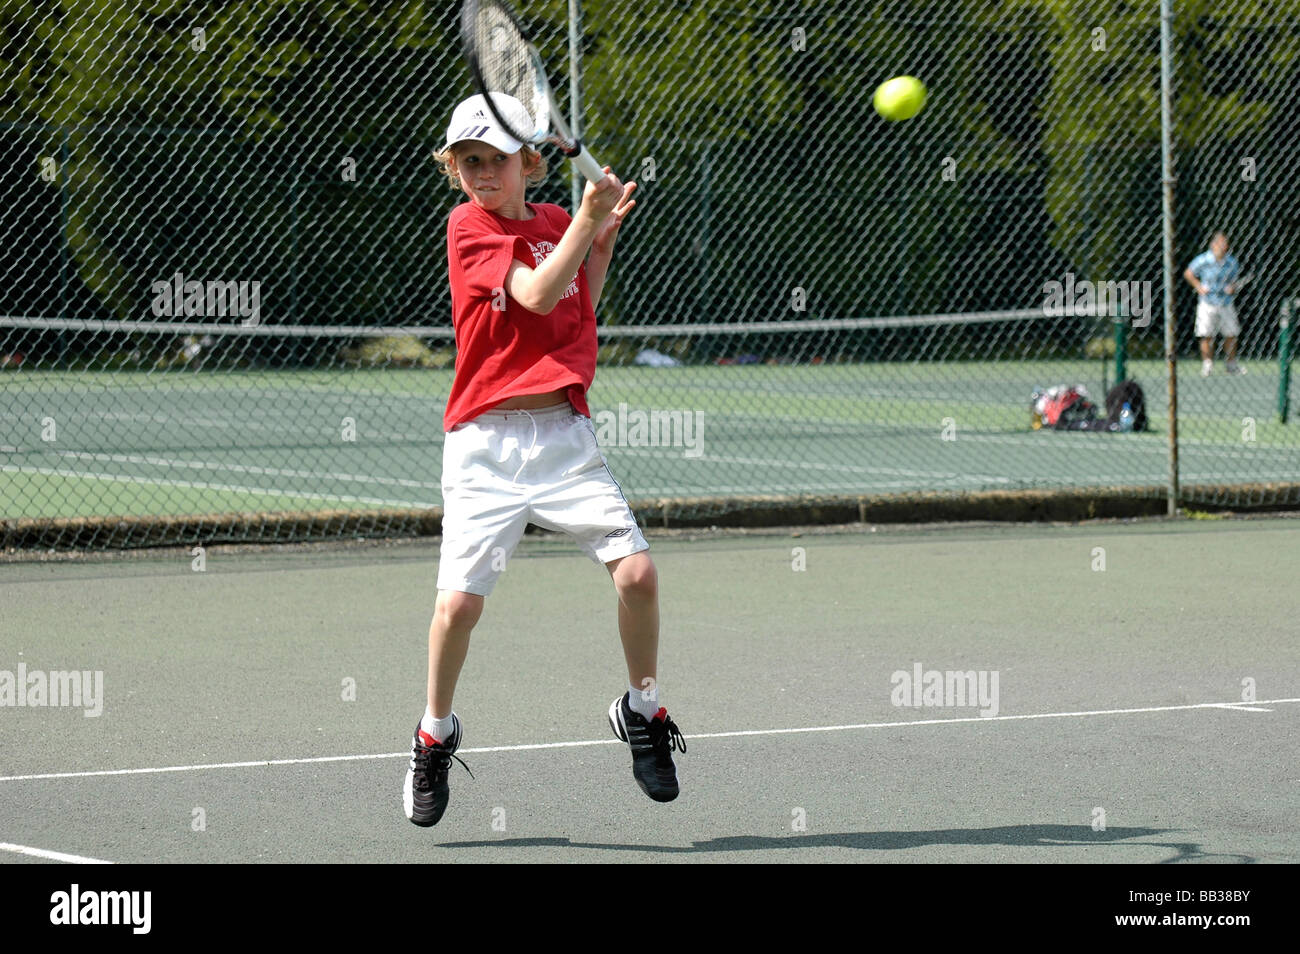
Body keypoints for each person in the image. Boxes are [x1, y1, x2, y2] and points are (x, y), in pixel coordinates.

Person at [402, 93, 685, 828]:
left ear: (531, 162)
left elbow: (570, 308)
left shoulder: (557, 223)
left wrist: (597, 246)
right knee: (458, 606)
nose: (482, 173)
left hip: (562, 434)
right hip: (483, 446)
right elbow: (530, 295)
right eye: (468, 162)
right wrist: (589, 222)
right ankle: (434, 733)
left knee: (640, 573)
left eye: (495, 159)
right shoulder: (467, 226)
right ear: (455, 170)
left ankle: (642, 709)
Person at [1184, 231, 1246, 376]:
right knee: (1206, 334)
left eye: (1225, 244)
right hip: (1207, 303)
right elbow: (1188, 273)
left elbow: (1234, 282)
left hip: (1226, 302)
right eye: (1220, 243)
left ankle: (1231, 365)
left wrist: (1233, 287)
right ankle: (1207, 364)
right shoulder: (1203, 260)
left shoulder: (1231, 262)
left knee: (1231, 333)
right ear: (1213, 245)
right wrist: (1198, 287)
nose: (1223, 247)